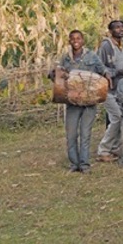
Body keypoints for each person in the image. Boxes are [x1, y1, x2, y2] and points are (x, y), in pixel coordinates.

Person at [51, 30, 110, 173]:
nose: (75, 41)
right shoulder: (65, 58)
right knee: (71, 134)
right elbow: (58, 75)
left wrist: (108, 79)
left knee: (85, 133)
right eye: (73, 38)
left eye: (78, 38)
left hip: (89, 103)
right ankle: (74, 164)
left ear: (83, 40)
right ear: (69, 41)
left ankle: (84, 165)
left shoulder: (92, 56)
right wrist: (54, 74)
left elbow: (103, 70)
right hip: (72, 102)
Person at [96, 19, 123, 162]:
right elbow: (99, 67)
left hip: (120, 89)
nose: (120, 30)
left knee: (121, 117)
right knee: (117, 117)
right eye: (116, 28)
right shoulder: (106, 46)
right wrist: (117, 72)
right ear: (110, 31)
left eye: (122, 27)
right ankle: (104, 149)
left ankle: (115, 148)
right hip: (108, 89)